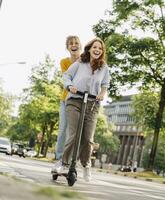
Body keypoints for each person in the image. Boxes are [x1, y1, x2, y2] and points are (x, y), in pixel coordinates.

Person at [54, 38, 110, 182]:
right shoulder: (80, 62)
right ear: (90, 49)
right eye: (95, 47)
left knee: (87, 138)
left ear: (102, 51)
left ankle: (86, 165)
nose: (97, 50)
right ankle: (64, 163)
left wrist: (102, 94)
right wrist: (69, 86)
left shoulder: (104, 67)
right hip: (74, 101)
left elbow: (105, 84)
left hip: (92, 104)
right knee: (73, 135)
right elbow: (66, 75)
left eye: (100, 48)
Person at [55, 35, 81, 161]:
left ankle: (71, 159)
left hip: (81, 100)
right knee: (63, 130)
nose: (74, 45)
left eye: (76, 43)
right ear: (68, 47)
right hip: (66, 100)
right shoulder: (64, 62)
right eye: (71, 43)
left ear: (80, 45)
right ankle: (60, 158)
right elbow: (67, 77)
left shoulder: (86, 61)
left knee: (75, 132)